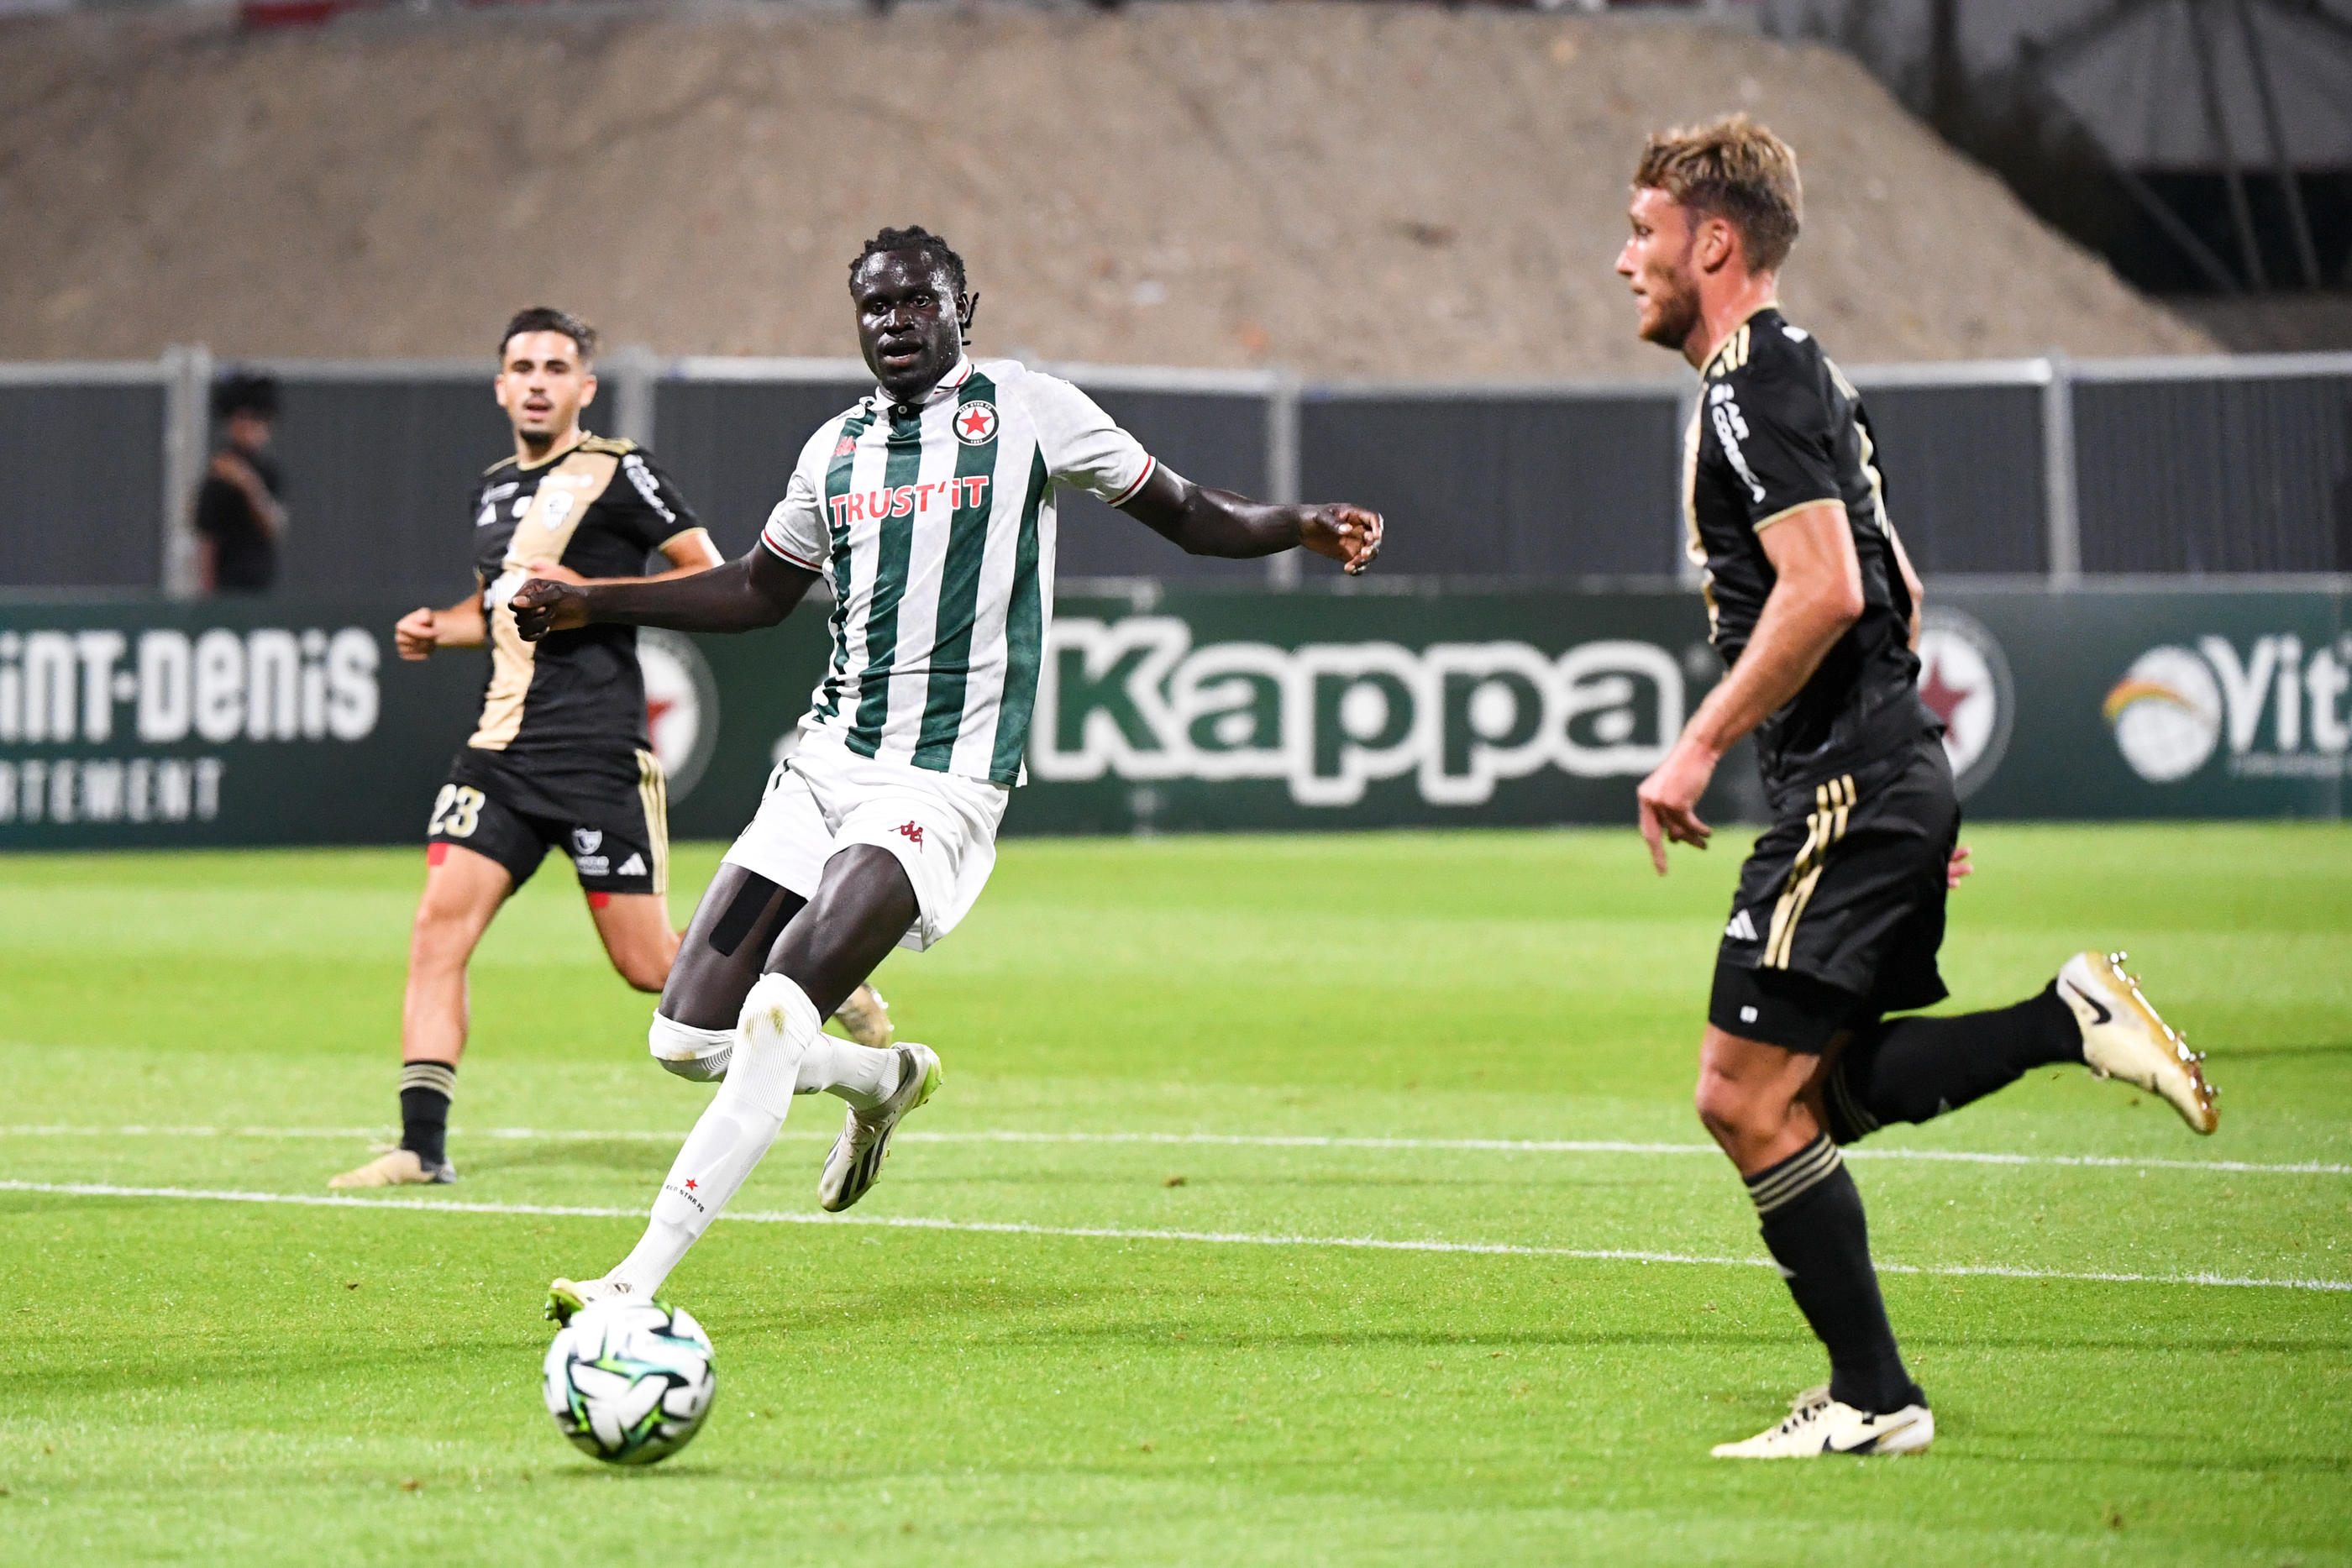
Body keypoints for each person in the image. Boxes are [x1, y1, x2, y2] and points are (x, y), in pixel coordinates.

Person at [514, 226, 1382, 1319]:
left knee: (781, 1010)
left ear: (966, 305)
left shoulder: (1029, 410)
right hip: (825, 762)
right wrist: (593, 598)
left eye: (915, 302)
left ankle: (633, 1282)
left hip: (939, 787)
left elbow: (1187, 512)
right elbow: (753, 592)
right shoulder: (834, 450)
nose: (893, 323)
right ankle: (883, 1078)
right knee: (684, 1036)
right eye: (874, 307)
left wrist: (1294, 524)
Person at [1615, 117, 2219, 1459]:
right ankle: (2067, 1020)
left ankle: (1876, 1394)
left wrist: (1701, 740)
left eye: (1644, 232)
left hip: (1847, 782)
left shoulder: (1745, 388)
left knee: (1740, 1095)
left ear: (1714, 241)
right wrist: (1908, 780)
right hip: (1877, 774)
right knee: (1807, 1094)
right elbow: (1903, 581)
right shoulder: (1803, 371)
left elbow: (1831, 587)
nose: (1625, 260)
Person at [330, 308, 901, 1189]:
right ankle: (421, 1145)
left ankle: (817, 976)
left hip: (597, 755)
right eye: (521, 366)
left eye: (555, 367)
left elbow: (708, 569)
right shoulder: (491, 490)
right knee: (436, 926)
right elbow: (493, 608)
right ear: (499, 384)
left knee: (650, 966)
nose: (535, 381)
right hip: (499, 752)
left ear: (582, 388)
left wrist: (594, 595)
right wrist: (435, 629)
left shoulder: (617, 471)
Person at [195, 371, 286, 594]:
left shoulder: (267, 472)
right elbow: (207, 540)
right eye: (242, 419)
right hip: (226, 589)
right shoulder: (218, 476)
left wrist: (247, 483)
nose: (249, 428)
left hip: (260, 585)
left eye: (257, 420)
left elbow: (274, 525)